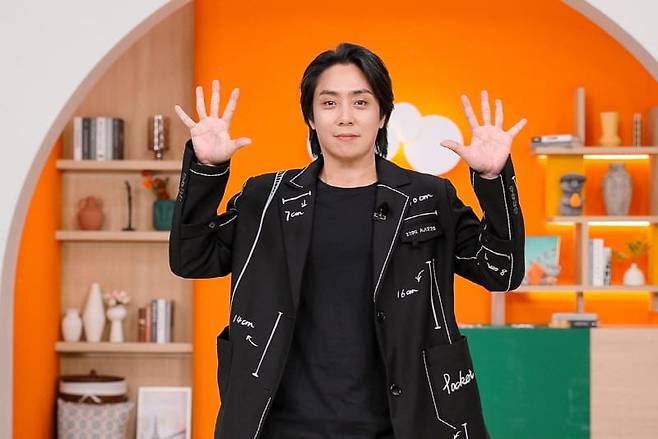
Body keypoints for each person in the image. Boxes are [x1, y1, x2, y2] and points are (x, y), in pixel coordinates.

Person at [170, 42, 526, 439]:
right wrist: (207, 169)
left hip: (405, 424)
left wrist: (493, 180)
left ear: (383, 115)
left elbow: (502, 271)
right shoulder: (266, 198)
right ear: (310, 116)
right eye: (329, 103)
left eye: (361, 102)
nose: (345, 117)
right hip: (280, 426)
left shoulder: (429, 197)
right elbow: (192, 258)